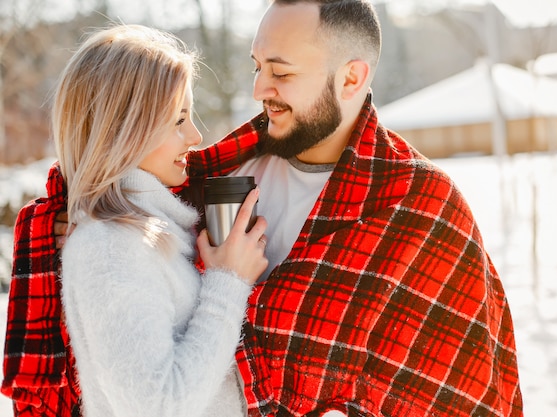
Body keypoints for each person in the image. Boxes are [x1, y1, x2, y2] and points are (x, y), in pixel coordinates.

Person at [4, 1, 524, 416]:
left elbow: (461, 388)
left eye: (279, 71)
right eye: (257, 67)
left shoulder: (421, 205)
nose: (258, 89)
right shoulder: (212, 177)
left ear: (350, 78)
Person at [3, 24, 268, 417]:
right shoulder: (110, 247)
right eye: (179, 120)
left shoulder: (151, 232)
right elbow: (160, 404)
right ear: (124, 128)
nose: (195, 135)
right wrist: (228, 282)